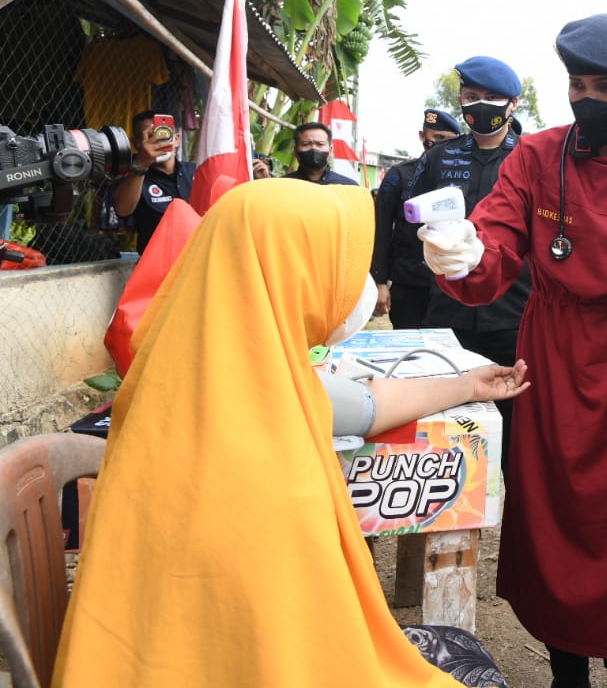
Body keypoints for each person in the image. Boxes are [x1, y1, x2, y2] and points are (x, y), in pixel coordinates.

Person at [53, 178, 526, 687]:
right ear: (288, 273)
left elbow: (365, 405)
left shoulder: (201, 376)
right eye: (340, 270)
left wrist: (466, 384)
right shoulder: (256, 464)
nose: (357, 288)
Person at [420, 13, 607, 688]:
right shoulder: (536, 157)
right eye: (577, 83)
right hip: (553, 361)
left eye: (606, 87)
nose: (587, 98)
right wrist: (465, 252)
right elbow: (497, 242)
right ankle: (566, 672)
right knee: (556, 520)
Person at [419, 57, 532, 474]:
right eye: (471, 97)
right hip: (448, 306)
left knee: (513, 417)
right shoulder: (439, 158)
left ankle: (508, 495)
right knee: (448, 416)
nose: (480, 106)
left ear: (513, 104)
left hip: (512, 309)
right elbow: (408, 222)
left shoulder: (530, 159)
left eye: (491, 99)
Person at [370, 108, 463, 328]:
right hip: (408, 282)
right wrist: (379, 281)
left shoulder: (461, 177)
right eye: (437, 138)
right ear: (423, 136)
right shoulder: (399, 175)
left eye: (449, 140)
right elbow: (382, 230)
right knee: (410, 350)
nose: (442, 145)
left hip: (448, 283)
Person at [111, 110, 194, 254]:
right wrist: (141, 164)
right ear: (136, 143)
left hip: (198, 259)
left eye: (162, 134)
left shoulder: (194, 171)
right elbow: (122, 209)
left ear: (177, 139)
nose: (155, 142)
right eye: (149, 136)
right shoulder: (132, 177)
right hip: (157, 265)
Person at [284, 121, 359, 185]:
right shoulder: (283, 185)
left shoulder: (349, 186)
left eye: (320, 144)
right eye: (306, 144)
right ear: (295, 151)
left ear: (330, 151)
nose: (313, 148)